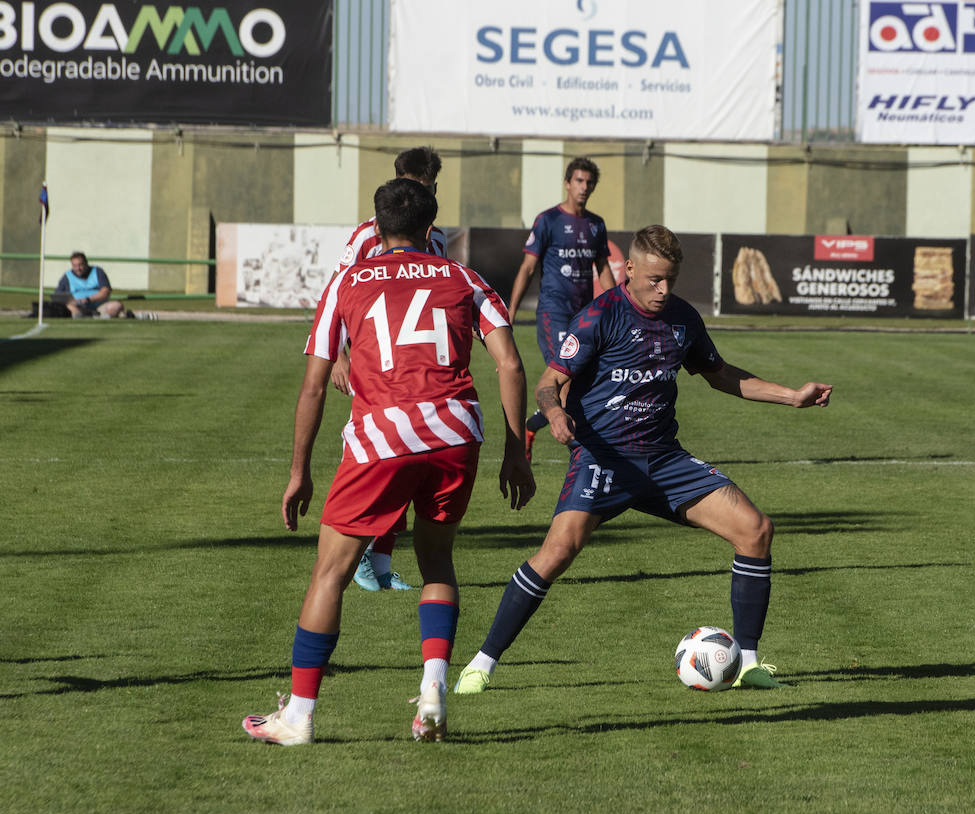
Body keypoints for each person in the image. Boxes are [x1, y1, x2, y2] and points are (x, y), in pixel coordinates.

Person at [454, 225, 832, 695]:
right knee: (557, 553)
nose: (663, 290)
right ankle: (481, 664)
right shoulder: (600, 315)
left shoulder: (683, 318)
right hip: (603, 458)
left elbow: (720, 375)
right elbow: (549, 381)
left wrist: (791, 396)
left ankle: (749, 664)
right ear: (628, 269)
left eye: (670, 280)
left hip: (663, 460)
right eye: (654, 279)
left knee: (755, 531)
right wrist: (553, 414)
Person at [242, 178, 536, 746]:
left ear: (375, 229)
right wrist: (516, 454)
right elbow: (511, 365)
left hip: (382, 436)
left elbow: (313, 387)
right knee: (437, 562)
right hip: (455, 434)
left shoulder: (347, 281)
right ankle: (433, 692)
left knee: (330, 574)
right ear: (432, 230)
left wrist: (299, 471)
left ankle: (298, 717)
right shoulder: (464, 277)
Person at [331, 146, 447, 592]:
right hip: (375, 362)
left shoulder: (436, 239)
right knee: (382, 455)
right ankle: (360, 552)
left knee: (411, 456)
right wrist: (340, 355)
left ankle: (379, 561)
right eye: (417, 187)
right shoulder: (366, 237)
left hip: (419, 366)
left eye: (429, 188)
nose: (423, 195)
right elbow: (336, 294)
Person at [509, 156, 616, 459]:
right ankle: (581, 452)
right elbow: (528, 268)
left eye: (589, 182)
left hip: (583, 316)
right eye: (579, 181)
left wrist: (620, 305)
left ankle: (533, 425)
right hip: (553, 313)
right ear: (567, 183)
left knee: (583, 384)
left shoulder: (596, 224)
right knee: (564, 382)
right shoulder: (548, 220)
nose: (584, 187)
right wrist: (511, 311)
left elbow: (603, 268)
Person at [58, 252, 127, 318]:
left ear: (86, 263)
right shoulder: (67, 276)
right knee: (69, 306)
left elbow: (105, 291)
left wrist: (88, 299)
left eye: (80, 265)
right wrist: (73, 301)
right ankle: (79, 315)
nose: (78, 269)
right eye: (75, 266)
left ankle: (104, 317)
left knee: (116, 305)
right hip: (78, 307)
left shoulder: (97, 271)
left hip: (99, 307)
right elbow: (58, 296)